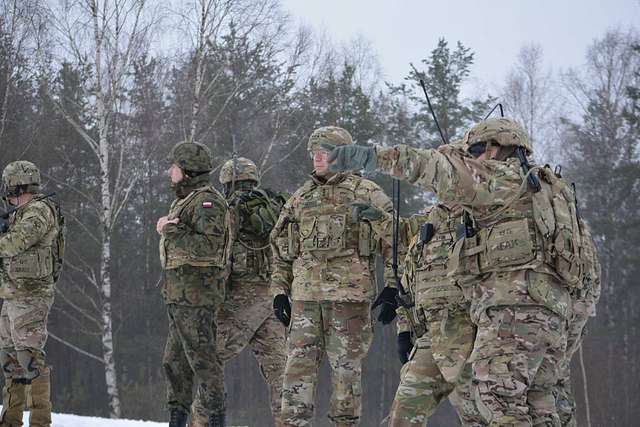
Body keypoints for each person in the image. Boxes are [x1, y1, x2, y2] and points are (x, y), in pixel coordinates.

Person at [328, 118, 581, 426]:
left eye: (472, 153)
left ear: (492, 149)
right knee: (536, 406)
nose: (471, 161)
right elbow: (584, 271)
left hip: (502, 313)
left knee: (497, 399)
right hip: (545, 316)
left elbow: (437, 169)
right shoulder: (551, 194)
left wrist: (374, 157)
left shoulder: (502, 180)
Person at [269, 126, 393, 427]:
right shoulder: (301, 198)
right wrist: (279, 291)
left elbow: (394, 241)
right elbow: (281, 246)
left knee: (346, 375)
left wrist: (392, 286)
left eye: (324, 151)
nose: (317, 157)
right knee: (296, 375)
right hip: (305, 301)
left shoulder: (366, 193)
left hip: (348, 301)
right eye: (314, 152)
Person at [190, 157, 288, 427]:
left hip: (239, 299)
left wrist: (210, 295)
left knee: (213, 360)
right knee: (280, 369)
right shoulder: (274, 206)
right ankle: (287, 421)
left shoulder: (228, 209)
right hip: (273, 297)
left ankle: (200, 421)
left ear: (226, 183)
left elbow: (223, 256)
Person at [158, 141, 233, 427]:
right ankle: (176, 419)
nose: (170, 172)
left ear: (187, 171)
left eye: (174, 167)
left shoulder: (208, 202)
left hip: (197, 298)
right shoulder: (185, 200)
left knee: (203, 361)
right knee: (174, 362)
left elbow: (208, 247)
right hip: (180, 297)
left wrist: (171, 229)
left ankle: (215, 419)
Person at [0, 160, 64, 427]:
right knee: (10, 358)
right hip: (13, 293)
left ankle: (40, 421)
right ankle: (11, 420)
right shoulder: (22, 212)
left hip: (31, 295)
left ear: (17, 186)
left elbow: (18, 241)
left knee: (29, 357)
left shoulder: (38, 211)